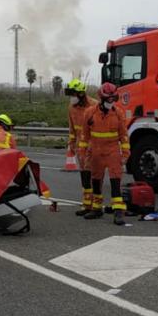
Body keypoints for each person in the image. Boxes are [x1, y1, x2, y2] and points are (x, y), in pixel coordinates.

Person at [82, 82, 129, 225]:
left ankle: (118, 211)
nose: (111, 102)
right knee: (96, 180)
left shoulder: (118, 113)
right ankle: (96, 208)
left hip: (113, 150)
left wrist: (125, 153)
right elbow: (85, 136)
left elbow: (124, 135)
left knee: (115, 180)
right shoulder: (90, 113)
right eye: (109, 99)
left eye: (113, 99)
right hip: (95, 151)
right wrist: (84, 154)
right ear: (102, 99)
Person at [64, 78, 97, 216]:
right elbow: (72, 129)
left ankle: (96, 205)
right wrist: (71, 144)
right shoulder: (72, 108)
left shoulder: (94, 106)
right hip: (80, 147)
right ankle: (87, 205)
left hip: (94, 146)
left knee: (95, 176)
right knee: (84, 176)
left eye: (73, 95)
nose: (71, 98)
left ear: (81, 94)